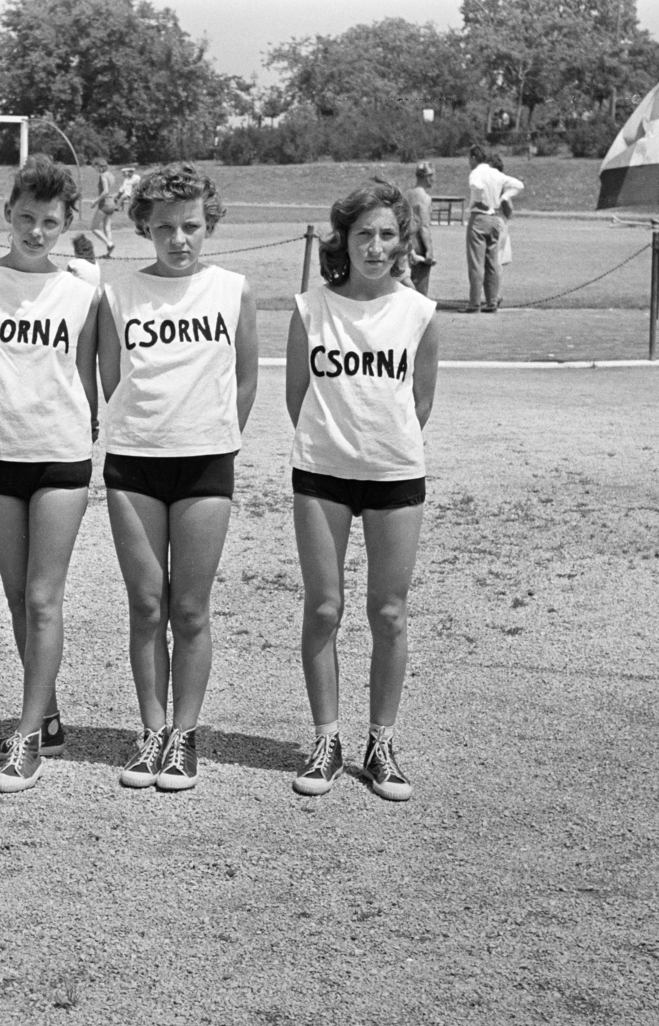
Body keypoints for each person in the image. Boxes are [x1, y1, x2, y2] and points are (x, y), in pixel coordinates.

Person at [96, 162, 258, 792]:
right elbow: (115, 380)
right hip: (135, 463)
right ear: (144, 228)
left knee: (189, 609)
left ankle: (185, 736)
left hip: (205, 461)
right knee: (145, 605)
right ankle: (151, 732)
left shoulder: (232, 289)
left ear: (207, 223)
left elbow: (245, 377)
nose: (179, 239)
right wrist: (150, 427)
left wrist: (217, 433)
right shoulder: (119, 294)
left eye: (190, 226)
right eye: (164, 227)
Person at [0, 155, 100, 794]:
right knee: (16, 594)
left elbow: (89, 375)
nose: (37, 232)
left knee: (43, 596)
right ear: (7, 214)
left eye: (51, 222)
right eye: (28, 218)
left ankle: (29, 736)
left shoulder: (83, 288)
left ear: (67, 224)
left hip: (60, 455)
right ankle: (51, 716)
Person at [286, 179, 440, 803]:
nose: (375, 247)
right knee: (324, 607)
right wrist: (337, 444)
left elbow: (419, 402)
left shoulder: (420, 313)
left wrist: (380, 447)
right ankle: (327, 739)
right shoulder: (310, 308)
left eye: (386, 235)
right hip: (321, 472)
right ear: (342, 240)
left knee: (389, 611)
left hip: (394, 474)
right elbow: (296, 397)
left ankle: (381, 743)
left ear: (402, 242)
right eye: (363, 235)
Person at [463, 144, 522, 313]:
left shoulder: (476, 173)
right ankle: (492, 301)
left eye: (469, 158)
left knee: (476, 262)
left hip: (480, 217)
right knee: (493, 262)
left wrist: (480, 200)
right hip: (495, 218)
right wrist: (503, 197)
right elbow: (518, 185)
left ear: (474, 158)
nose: (469, 162)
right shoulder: (496, 173)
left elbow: (476, 186)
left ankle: (474, 302)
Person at [403, 161, 435, 296]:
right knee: (420, 290)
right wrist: (429, 249)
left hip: (405, 244)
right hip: (418, 245)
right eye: (433, 175)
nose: (434, 179)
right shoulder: (425, 198)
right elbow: (424, 227)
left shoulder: (406, 194)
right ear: (426, 176)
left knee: (405, 285)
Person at [88, 157, 117, 257]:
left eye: (95, 167)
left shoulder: (103, 176)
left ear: (98, 166)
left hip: (105, 204)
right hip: (112, 204)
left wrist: (95, 201)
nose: (95, 169)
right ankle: (109, 253)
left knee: (94, 228)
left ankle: (109, 243)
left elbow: (105, 191)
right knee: (107, 228)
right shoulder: (111, 175)